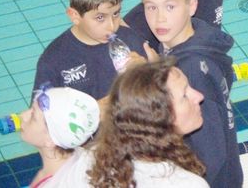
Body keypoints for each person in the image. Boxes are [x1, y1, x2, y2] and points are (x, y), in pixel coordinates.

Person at [138, 0, 242, 187]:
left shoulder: (192, 70)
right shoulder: (198, 41)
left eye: (170, 7)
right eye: (151, 8)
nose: (159, 18)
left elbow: (210, 155)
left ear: (192, 6)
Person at [44, 58, 209, 187]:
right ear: (158, 119)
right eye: (184, 95)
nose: (199, 96)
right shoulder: (187, 184)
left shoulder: (90, 161)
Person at [33, 0, 153, 103]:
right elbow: (41, 111)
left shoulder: (131, 41)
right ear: (74, 16)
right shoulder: (54, 60)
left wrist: (147, 74)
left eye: (115, 14)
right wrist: (96, 109)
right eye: (100, 17)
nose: (111, 26)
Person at [20, 86, 99, 188]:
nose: (23, 116)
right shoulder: (84, 158)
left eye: (33, 116)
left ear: (50, 139)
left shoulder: (60, 184)